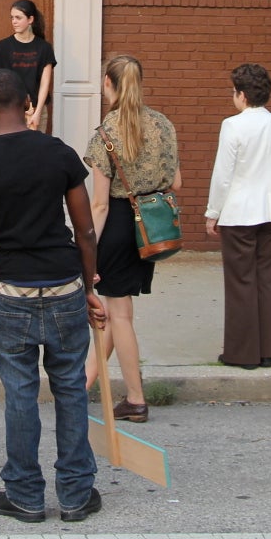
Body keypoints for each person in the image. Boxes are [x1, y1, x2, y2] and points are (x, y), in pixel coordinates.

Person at [0, 69, 108, 522]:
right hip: (64, 288)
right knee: (71, 389)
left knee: (20, 394)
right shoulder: (57, 153)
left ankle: (24, 493)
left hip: (11, 295)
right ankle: (77, 493)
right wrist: (89, 285)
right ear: (27, 103)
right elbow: (85, 230)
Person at [83, 53, 180, 422]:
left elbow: (100, 204)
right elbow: (177, 182)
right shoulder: (162, 124)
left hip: (120, 223)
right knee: (113, 309)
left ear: (108, 84)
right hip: (149, 227)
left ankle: (136, 398)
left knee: (118, 314)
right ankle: (83, 383)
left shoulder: (107, 132)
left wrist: (87, 249)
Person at [204, 63, 271, 369]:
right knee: (266, 279)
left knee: (240, 281)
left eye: (234, 91)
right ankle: (265, 352)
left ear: (242, 95)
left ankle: (241, 353)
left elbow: (223, 175)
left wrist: (213, 213)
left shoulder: (233, 125)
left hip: (239, 213)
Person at [0, 0, 57, 132]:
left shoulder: (44, 48)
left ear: (30, 19)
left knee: (35, 150)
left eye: (18, 18)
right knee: (12, 150)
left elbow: (45, 83)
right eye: (12, 17)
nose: (14, 21)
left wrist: (37, 113)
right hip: (10, 109)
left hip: (37, 109)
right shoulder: (3, 47)